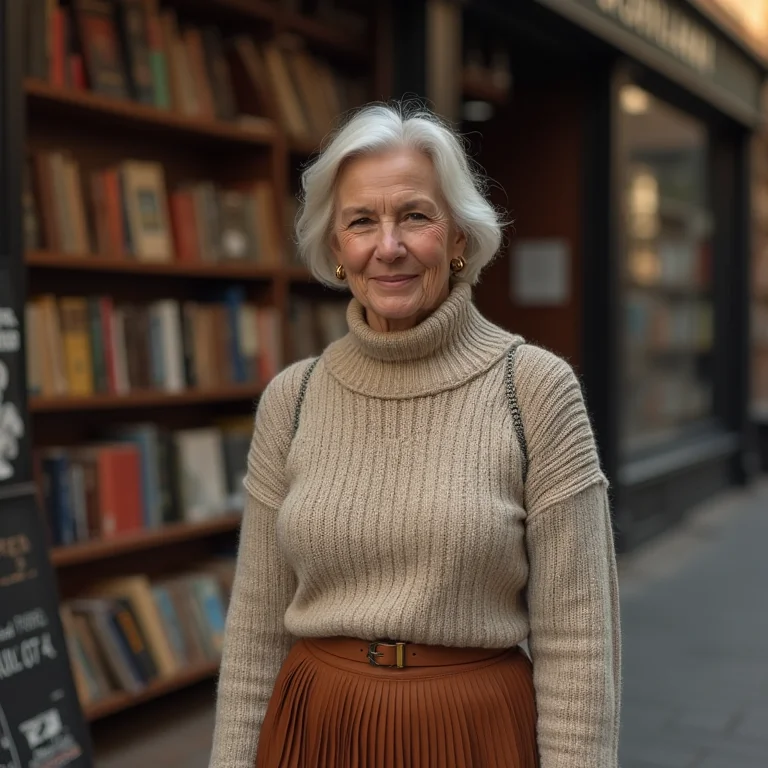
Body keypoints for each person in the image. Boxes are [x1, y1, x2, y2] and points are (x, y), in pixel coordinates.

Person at [208, 102, 621, 768]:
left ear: (458, 237)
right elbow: (256, 627)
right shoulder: (294, 398)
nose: (389, 245)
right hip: (316, 730)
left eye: (416, 216)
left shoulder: (534, 389)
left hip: (474, 736)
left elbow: (579, 643)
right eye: (362, 221)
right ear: (336, 247)